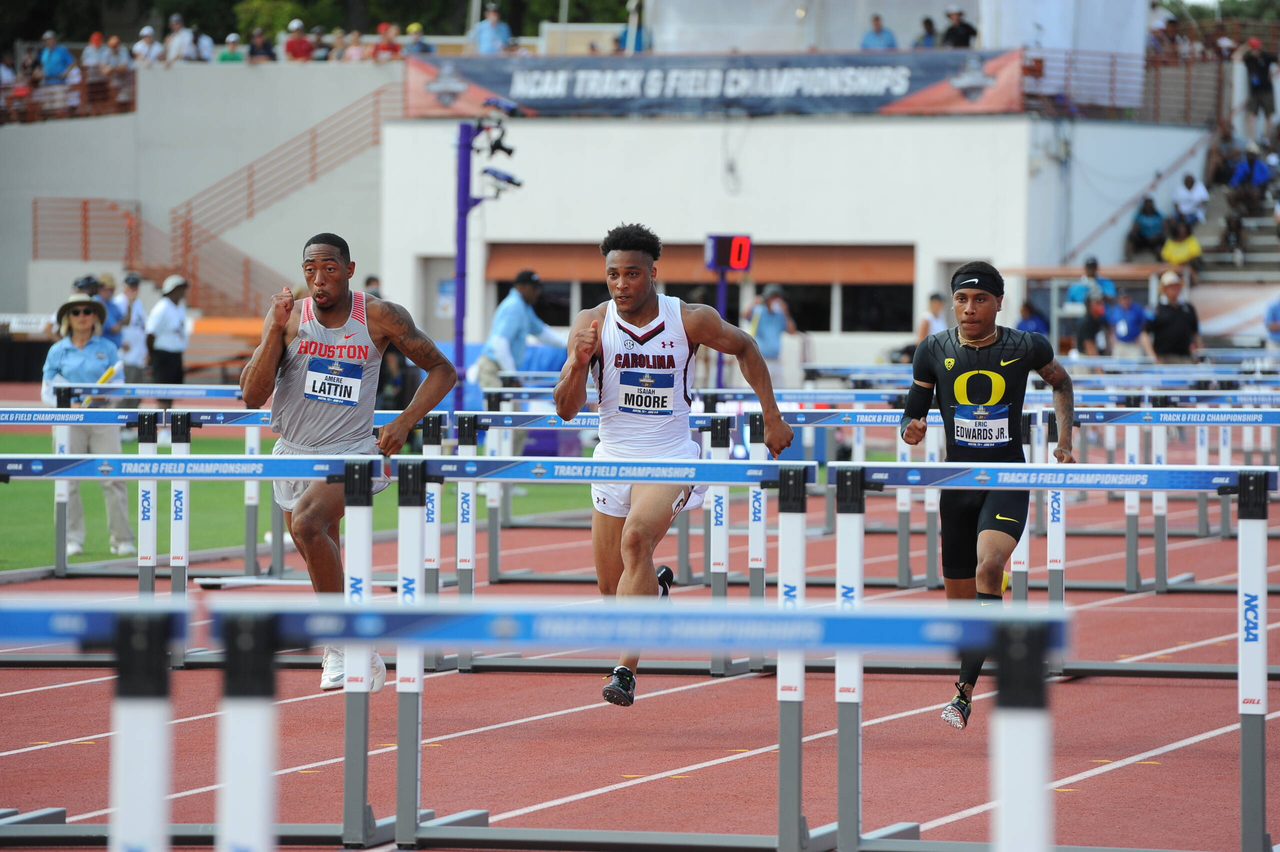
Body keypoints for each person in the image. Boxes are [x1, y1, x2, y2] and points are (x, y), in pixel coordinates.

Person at [553, 223, 794, 707]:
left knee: (636, 539)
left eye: (632, 274)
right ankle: (656, 593)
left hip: (670, 458)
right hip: (613, 459)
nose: (622, 284)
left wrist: (772, 415)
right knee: (610, 588)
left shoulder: (689, 319)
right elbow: (564, 409)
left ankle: (625, 670)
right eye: (613, 275)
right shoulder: (592, 323)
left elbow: (745, 346)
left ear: (653, 273)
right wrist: (579, 364)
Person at [239, 233, 456, 692]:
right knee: (321, 553)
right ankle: (356, 644)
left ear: (350, 269)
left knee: (306, 526)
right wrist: (271, 333)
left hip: (354, 451)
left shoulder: (379, 316)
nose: (319, 279)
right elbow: (253, 395)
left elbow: (443, 370)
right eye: (310, 270)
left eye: (330, 269)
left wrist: (405, 421)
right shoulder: (288, 317)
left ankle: (344, 641)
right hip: (293, 453)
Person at [900, 261, 1074, 730]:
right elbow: (911, 415)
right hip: (957, 486)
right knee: (964, 619)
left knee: (989, 567)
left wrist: (1064, 440)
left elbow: (1060, 381)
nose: (969, 308)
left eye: (979, 299)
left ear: (998, 302)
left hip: (1006, 479)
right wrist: (911, 428)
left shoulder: (1026, 345)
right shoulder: (931, 350)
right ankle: (983, 640)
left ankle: (964, 694)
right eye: (961, 299)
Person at [41, 293, 136, 558]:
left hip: (102, 417)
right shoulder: (57, 350)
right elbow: (46, 391)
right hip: (68, 421)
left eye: (87, 311)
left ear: (95, 317)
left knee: (113, 476)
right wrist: (66, 406)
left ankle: (122, 538)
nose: (82, 316)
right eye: (76, 312)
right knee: (68, 478)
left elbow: (119, 387)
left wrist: (107, 395)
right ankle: (71, 538)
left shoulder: (107, 347)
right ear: (67, 319)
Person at [473, 270, 567, 455]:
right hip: (495, 369)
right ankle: (489, 482)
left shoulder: (523, 308)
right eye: (533, 288)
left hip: (502, 370)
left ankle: (505, 482)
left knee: (515, 428)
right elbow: (499, 343)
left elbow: (543, 333)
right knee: (498, 426)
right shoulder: (514, 307)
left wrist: (572, 342)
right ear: (521, 287)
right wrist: (512, 376)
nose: (537, 293)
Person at [146, 274, 189, 412]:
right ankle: (163, 426)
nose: (183, 292)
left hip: (175, 355)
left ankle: (166, 423)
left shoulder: (179, 307)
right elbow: (150, 333)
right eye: (180, 288)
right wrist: (152, 355)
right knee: (163, 392)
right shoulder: (162, 308)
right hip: (163, 355)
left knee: (172, 391)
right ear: (171, 290)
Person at [742, 284, 797, 387]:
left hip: (776, 361)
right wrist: (754, 303)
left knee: (779, 393)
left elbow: (792, 331)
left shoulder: (780, 315)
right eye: (774, 298)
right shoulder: (758, 311)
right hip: (758, 359)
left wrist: (786, 312)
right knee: (752, 390)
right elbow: (744, 315)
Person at [1143, 270, 1200, 363]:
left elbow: (1196, 333)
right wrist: (1153, 357)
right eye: (1171, 287)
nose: (1175, 289)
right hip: (1163, 359)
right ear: (1164, 289)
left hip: (1185, 358)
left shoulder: (1188, 308)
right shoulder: (1156, 309)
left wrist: (1198, 353)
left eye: (1177, 286)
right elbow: (1145, 334)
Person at [112, 272, 149, 416]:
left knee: (136, 392)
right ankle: (119, 425)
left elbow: (141, 327)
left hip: (138, 355)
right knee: (124, 392)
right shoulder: (119, 302)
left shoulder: (139, 303)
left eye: (135, 287)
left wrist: (146, 350)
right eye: (130, 286)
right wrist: (120, 342)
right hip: (125, 356)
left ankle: (129, 425)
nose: (133, 290)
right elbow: (115, 326)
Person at [1234, 38, 1277, 143]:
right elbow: (1235, 57)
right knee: (1250, 115)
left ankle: (1266, 138)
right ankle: (1251, 139)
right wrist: (1245, 47)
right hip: (1254, 92)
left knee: (1268, 115)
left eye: (1255, 49)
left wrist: (1275, 74)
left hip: (1267, 91)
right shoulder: (1249, 58)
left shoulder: (1266, 56)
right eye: (1252, 49)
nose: (1254, 51)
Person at [1229, 142, 1271, 215]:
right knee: (1231, 195)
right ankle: (1239, 213)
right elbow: (1235, 179)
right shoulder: (1241, 165)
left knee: (1255, 194)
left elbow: (1264, 179)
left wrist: (1253, 185)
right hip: (1243, 189)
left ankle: (1253, 214)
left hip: (1256, 189)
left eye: (1252, 153)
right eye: (1249, 153)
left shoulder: (1262, 166)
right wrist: (1238, 186)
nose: (1250, 156)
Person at [1160, 217, 1203, 286]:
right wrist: (1174, 266)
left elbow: (1194, 256)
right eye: (1180, 228)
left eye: (1183, 228)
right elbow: (1165, 258)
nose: (1182, 230)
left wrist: (1181, 264)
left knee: (1188, 270)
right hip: (1172, 268)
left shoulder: (1191, 239)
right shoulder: (1170, 242)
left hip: (1188, 265)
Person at [1107, 290, 1149, 359]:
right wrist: (1113, 339)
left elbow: (1143, 324)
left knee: (1135, 366)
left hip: (1134, 343)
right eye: (1122, 298)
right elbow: (1112, 326)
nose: (1124, 300)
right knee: (1117, 366)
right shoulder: (1115, 310)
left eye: (1126, 298)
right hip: (1120, 343)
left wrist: (1140, 338)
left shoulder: (1137, 309)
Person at [1123, 197, 1166, 261]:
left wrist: (1156, 236)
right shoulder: (1139, 215)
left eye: (1150, 205)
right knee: (1131, 235)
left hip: (1156, 238)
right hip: (1144, 238)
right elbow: (1135, 227)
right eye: (1147, 205)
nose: (1148, 207)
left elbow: (1164, 226)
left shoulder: (1158, 215)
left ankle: (1162, 261)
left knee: (1162, 240)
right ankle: (1128, 259)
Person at [94, 272, 125, 347]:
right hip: (102, 349)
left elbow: (125, 321)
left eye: (113, 289)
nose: (112, 292)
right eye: (109, 289)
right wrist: (120, 323)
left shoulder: (110, 303)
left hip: (112, 349)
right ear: (100, 289)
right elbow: (114, 328)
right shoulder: (97, 303)